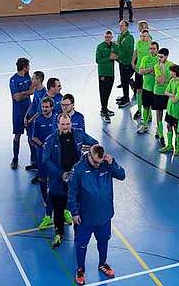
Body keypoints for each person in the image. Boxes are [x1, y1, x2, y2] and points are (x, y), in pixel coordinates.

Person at [68, 144, 126, 285]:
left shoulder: (106, 164)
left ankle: (102, 263)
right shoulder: (78, 169)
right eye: (95, 161)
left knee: (103, 240)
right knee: (82, 244)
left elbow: (122, 175)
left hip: (104, 215)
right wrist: (74, 213)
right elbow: (72, 193)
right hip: (85, 217)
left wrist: (112, 163)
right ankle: (80, 269)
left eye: (100, 162)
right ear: (89, 155)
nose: (97, 164)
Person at [42, 113, 98, 249]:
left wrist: (89, 151)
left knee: (77, 206)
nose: (65, 127)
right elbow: (46, 160)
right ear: (58, 124)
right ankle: (59, 234)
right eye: (63, 124)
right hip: (59, 179)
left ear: (71, 123)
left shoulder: (79, 134)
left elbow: (95, 144)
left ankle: (78, 234)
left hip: (76, 178)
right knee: (59, 208)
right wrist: (61, 174)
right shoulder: (51, 140)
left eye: (67, 124)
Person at [34, 97, 59, 230]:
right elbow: (34, 137)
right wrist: (43, 145)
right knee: (43, 178)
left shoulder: (57, 119)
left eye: (47, 107)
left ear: (52, 107)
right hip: (42, 155)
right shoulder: (38, 120)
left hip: (55, 155)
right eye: (43, 107)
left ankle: (60, 205)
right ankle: (45, 200)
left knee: (57, 178)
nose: (44, 109)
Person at [9, 57, 33, 170]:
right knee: (17, 136)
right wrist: (27, 93)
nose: (29, 68)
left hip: (29, 110)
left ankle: (34, 158)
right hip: (18, 112)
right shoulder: (13, 80)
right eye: (28, 66)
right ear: (24, 67)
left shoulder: (28, 76)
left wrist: (23, 93)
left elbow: (32, 91)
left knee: (31, 135)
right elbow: (16, 98)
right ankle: (15, 158)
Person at [25, 71, 48, 175]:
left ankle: (41, 171)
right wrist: (26, 116)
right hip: (31, 120)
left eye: (33, 78)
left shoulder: (44, 94)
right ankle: (36, 164)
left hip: (36, 122)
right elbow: (32, 104)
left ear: (39, 80)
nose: (31, 80)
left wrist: (30, 120)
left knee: (37, 145)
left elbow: (40, 112)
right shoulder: (36, 91)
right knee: (30, 141)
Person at [160, 64, 179, 155]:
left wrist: (170, 95)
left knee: (177, 130)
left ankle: (178, 147)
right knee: (168, 126)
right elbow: (166, 92)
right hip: (170, 110)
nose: (169, 72)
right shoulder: (172, 81)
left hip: (176, 112)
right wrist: (171, 94)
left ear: (174, 72)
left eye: (170, 71)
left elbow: (175, 100)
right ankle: (170, 145)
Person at [137, 41, 160, 134]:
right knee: (145, 107)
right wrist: (151, 69)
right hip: (146, 88)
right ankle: (145, 125)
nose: (152, 50)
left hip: (157, 89)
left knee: (158, 111)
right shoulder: (145, 59)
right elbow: (140, 71)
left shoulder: (160, 59)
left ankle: (159, 129)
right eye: (150, 48)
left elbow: (158, 74)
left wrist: (147, 71)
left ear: (157, 49)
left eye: (154, 48)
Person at [95, 30, 117, 123]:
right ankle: (104, 112)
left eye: (109, 37)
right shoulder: (100, 47)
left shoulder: (113, 46)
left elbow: (117, 54)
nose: (107, 39)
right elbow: (98, 60)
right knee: (103, 92)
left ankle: (105, 108)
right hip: (103, 74)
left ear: (112, 37)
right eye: (106, 37)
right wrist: (109, 58)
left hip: (111, 73)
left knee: (108, 92)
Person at [131, 28, 152, 119]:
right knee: (139, 90)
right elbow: (136, 51)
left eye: (144, 36)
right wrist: (132, 61)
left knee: (147, 92)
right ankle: (139, 110)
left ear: (148, 36)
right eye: (141, 36)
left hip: (147, 71)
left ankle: (149, 113)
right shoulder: (139, 42)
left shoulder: (151, 45)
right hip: (138, 70)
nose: (142, 38)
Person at [152, 48, 172, 141]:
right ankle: (160, 133)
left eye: (161, 57)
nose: (159, 58)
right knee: (159, 113)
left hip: (168, 93)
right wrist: (163, 70)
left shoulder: (171, 65)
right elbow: (161, 81)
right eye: (158, 56)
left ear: (166, 57)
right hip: (159, 92)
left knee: (169, 114)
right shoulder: (156, 66)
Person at [115, 20, 135, 108]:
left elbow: (127, 51)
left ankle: (126, 99)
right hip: (121, 62)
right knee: (123, 80)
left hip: (127, 62)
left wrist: (117, 49)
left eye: (122, 26)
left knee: (125, 80)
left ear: (126, 27)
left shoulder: (129, 38)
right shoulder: (120, 36)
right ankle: (124, 96)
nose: (120, 27)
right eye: (120, 25)